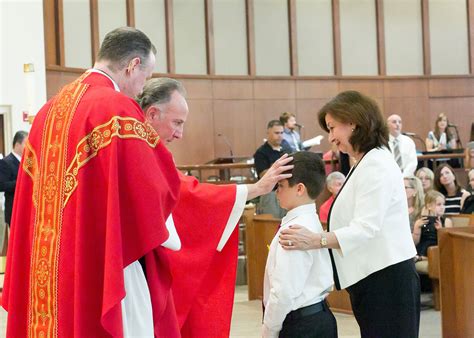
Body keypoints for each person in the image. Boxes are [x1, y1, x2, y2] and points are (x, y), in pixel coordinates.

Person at [2, 27, 183, 337]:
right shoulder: (116, 110)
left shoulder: (46, 113)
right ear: (132, 66)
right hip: (103, 262)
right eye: (145, 77)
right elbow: (152, 189)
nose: (141, 90)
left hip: (50, 269)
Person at [137, 78, 294, 337]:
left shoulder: (147, 146)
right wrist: (254, 189)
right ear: (152, 114)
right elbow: (182, 191)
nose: (180, 134)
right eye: (177, 123)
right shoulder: (139, 147)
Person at [279, 90, 420, 338]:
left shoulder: (376, 163)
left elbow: (366, 227)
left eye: (333, 128)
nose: (331, 138)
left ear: (353, 122)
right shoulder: (363, 162)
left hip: (387, 280)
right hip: (373, 279)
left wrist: (316, 240)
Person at [262, 152, 336, 338]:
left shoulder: (296, 230)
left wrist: (268, 331)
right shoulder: (309, 219)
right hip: (317, 317)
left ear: (299, 189)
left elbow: (284, 292)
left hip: (301, 324)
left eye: (280, 186)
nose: (276, 192)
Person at [254, 120, 292, 218]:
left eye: (282, 133)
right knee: (271, 225)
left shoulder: (287, 148)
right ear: (268, 133)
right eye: (276, 133)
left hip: (287, 191)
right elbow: (263, 174)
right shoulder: (261, 152)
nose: (280, 135)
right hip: (270, 194)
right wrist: (280, 168)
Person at [412, 190, 452, 271]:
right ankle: (419, 257)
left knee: (433, 249)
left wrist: (440, 230)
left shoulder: (446, 221)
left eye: (443, 204)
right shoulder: (421, 221)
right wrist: (417, 228)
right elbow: (415, 242)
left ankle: (422, 258)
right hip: (422, 247)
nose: (442, 207)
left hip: (437, 247)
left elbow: (448, 242)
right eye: (439, 204)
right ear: (429, 206)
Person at [0, 131, 28, 226]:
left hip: (26, 210)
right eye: (26, 144)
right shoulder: (5, 162)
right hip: (13, 210)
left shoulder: (27, 162)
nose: (28, 147)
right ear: (17, 144)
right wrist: (21, 182)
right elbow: (2, 185)